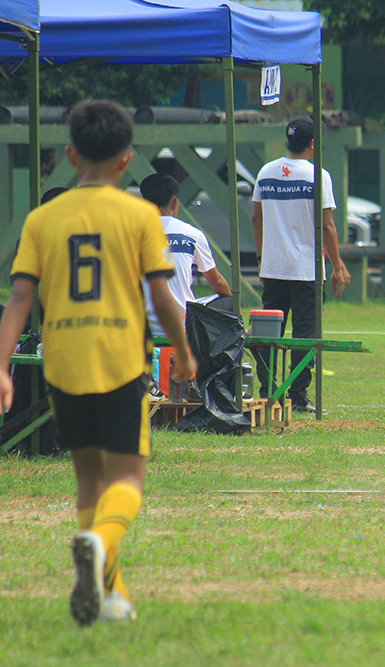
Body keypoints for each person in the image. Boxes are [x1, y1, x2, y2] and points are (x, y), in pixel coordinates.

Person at [0, 99, 196, 625]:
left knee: (89, 481)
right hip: (120, 360)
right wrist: (183, 354)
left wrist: (0, 367)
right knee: (127, 479)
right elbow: (161, 298)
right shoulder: (140, 215)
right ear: (126, 160)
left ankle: (112, 596)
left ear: (70, 154)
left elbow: (19, 298)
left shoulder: (43, 218)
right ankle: (101, 543)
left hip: (63, 362)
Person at [251, 116, 351, 415]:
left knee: (270, 333)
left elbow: (256, 218)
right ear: (312, 143)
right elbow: (327, 225)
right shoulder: (318, 175)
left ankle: (268, 392)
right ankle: (298, 396)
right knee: (305, 333)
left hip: (273, 267)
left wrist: (261, 259)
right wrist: (338, 266)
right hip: (307, 269)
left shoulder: (266, 172)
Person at [139, 172, 233, 337]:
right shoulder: (191, 234)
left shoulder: (132, 233)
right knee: (229, 301)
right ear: (174, 202)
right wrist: (232, 298)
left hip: (142, 327)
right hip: (183, 327)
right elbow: (216, 283)